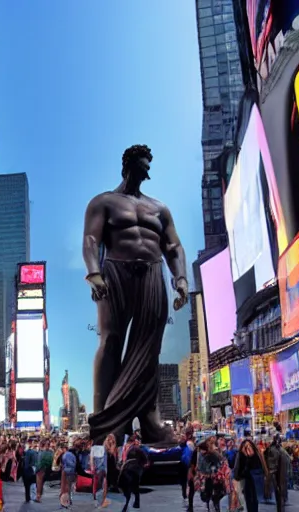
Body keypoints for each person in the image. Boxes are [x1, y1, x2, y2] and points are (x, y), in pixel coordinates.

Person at [83, 144, 188, 445]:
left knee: (148, 347)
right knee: (111, 339)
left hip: (153, 274)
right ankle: (106, 420)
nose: (146, 172)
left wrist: (180, 278)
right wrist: (94, 273)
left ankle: (149, 419)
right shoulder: (104, 202)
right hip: (114, 273)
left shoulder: (159, 208)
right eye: (142, 166)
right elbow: (91, 239)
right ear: (128, 165)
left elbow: (173, 247)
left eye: (148, 168)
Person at [234, 438, 270, 512]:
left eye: (249, 445)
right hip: (246, 480)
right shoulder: (241, 455)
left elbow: (262, 466)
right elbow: (238, 471)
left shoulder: (257, 454)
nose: (248, 448)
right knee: (249, 500)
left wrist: (266, 477)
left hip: (257, 480)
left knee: (255, 500)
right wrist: (247, 457)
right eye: (246, 446)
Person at [118, 435, 149, 512]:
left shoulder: (139, 449)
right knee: (134, 486)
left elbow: (145, 461)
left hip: (133, 469)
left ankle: (131, 501)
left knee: (132, 486)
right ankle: (134, 502)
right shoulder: (132, 449)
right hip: (132, 469)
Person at [264, 435, 289, 512]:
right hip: (281, 475)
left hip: (277, 475)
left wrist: (269, 478)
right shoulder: (282, 450)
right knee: (280, 495)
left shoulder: (273, 450)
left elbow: (272, 465)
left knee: (278, 495)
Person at [90, 441, 110, 508]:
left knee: (99, 484)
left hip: (100, 468)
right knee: (101, 484)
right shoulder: (102, 447)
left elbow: (91, 459)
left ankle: (99, 500)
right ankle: (100, 500)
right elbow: (92, 459)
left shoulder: (94, 448)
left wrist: (92, 468)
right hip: (101, 468)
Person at [179, 429, 195, 500]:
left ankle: (186, 494)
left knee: (187, 481)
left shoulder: (189, 444)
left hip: (188, 464)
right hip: (186, 464)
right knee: (186, 481)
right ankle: (186, 494)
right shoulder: (187, 444)